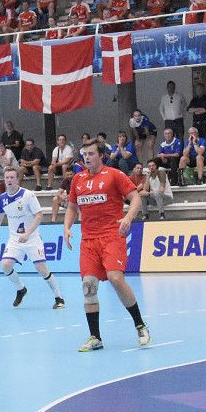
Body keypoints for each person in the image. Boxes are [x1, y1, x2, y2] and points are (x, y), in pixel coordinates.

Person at [64, 139, 149, 352]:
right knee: (89, 286)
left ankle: (140, 325)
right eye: (85, 154)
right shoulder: (78, 179)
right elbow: (72, 207)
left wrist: (128, 218)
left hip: (112, 235)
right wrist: (67, 228)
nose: (87, 157)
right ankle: (95, 337)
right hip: (89, 240)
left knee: (115, 278)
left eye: (91, 153)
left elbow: (135, 198)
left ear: (101, 155)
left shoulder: (114, 175)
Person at [0, 167, 65, 309]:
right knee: (5, 265)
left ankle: (59, 297)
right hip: (15, 239)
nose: (9, 180)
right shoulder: (2, 198)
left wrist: (28, 233)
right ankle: (21, 289)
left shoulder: (28, 195)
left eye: (12, 177)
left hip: (32, 238)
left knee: (41, 268)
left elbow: (39, 215)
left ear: (17, 179)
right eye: (7, 178)